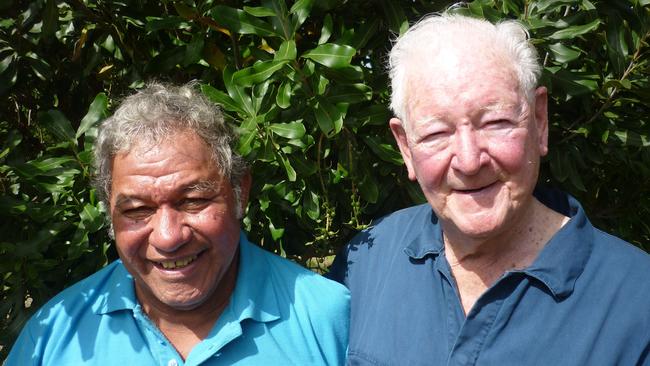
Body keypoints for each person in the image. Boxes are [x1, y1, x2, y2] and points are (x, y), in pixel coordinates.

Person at [327, 12, 650, 366]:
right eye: (436, 133)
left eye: (495, 123)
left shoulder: (637, 301)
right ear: (405, 147)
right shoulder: (367, 263)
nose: (468, 161)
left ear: (539, 123)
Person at [7, 82, 349, 365]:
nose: (169, 237)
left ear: (239, 191)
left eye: (194, 201)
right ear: (107, 210)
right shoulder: (52, 336)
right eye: (138, 209)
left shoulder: (330, 320)